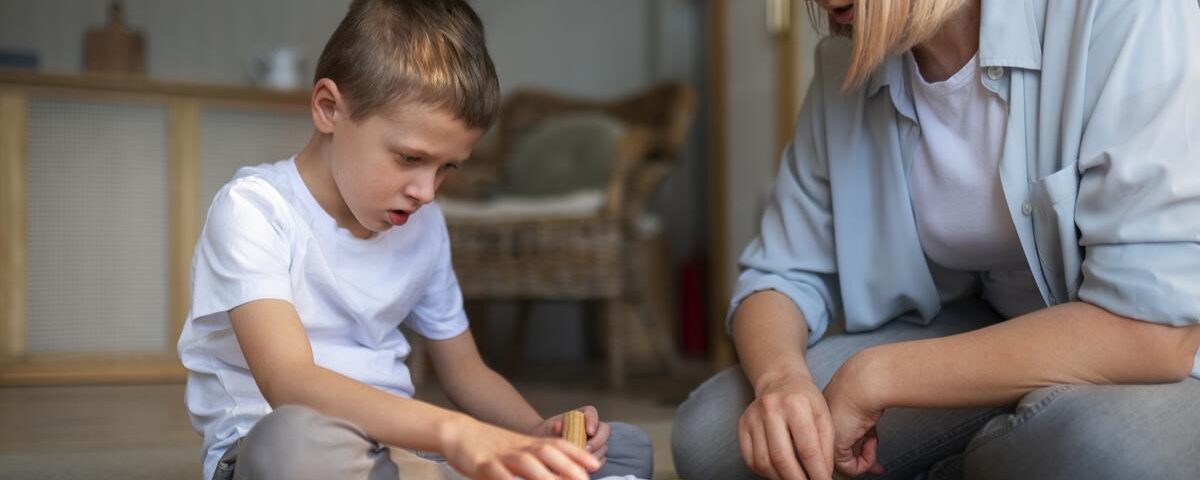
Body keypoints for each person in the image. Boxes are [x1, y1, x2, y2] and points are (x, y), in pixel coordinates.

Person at [673, 0, 1200, 478]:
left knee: (1101, 452)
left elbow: (1154, 329)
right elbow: (779, 275)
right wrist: (780, 383)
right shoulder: (847, 68)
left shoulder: (1127, 13)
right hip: (996, 324)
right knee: (719, 436)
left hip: (1164, 351)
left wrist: (875, 376)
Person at [176, 1, 653, 479]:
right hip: (281, 446)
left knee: (625, 447)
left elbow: (466, 371)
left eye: (447, 168)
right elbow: (289, 382)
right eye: (409, 158)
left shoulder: (424, 225)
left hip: (401, 452)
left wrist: (533, 432)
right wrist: (455, 432)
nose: (426, 192)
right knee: (292, 443)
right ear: (328, 109)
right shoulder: (254, 211)